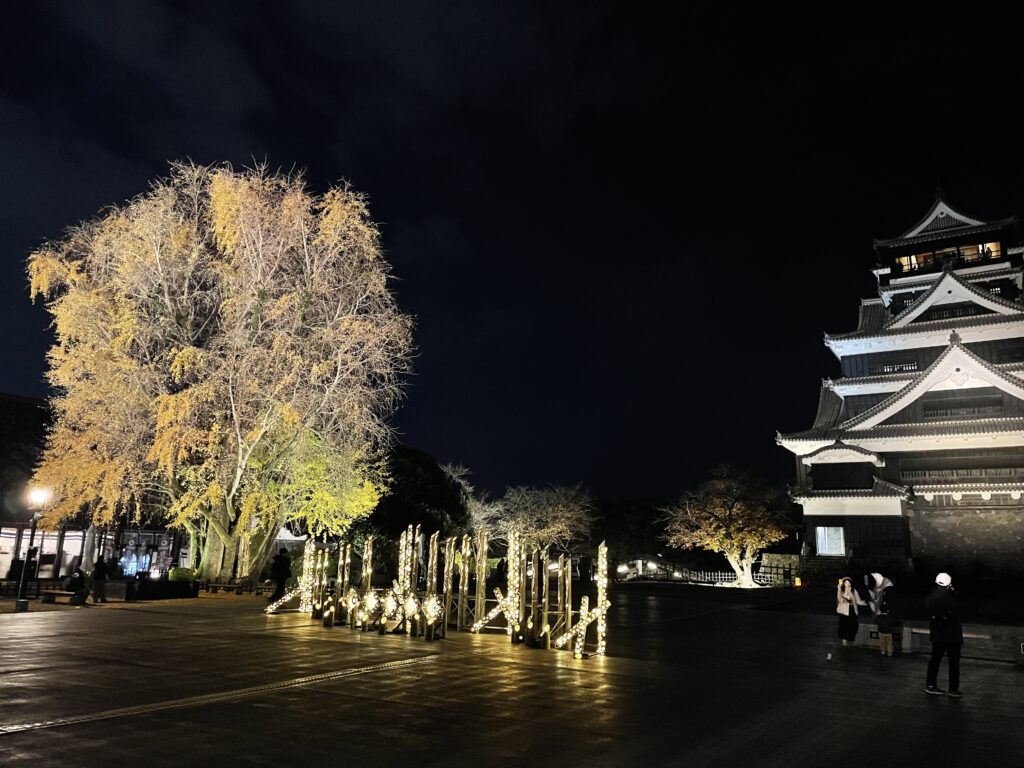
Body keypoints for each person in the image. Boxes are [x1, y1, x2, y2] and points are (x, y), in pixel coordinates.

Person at [925, 572, 963, 697]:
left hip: (937, 634)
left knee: (935, 660)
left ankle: (930, 684)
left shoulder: (930, 597)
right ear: (949, 584)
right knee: (954, 663)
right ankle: (953, 689)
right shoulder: (951, 598)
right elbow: (960, 609)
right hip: (952, 635)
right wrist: (954, 592)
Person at [836, 577, 865, 646]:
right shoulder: (841, 591)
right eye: (846, 583)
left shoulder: (854, 591)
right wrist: (839, 589)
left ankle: (852, 639)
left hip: (852, 610)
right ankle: (844, 641)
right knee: (843, 626)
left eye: (849, 583)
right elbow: (839, 600)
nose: (847, 584)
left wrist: (866, 602)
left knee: (853, 625)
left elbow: (858, 601)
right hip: (844, 610)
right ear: (843, 584)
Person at [876, 589, 899, 656]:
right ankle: (890, 652)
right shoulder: (889, 617)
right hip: (888, 632)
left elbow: (876, 621)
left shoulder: (879, 617)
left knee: (882, 642)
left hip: (881, 632)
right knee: (889, 643)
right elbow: (893, 622)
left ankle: (883, 651)